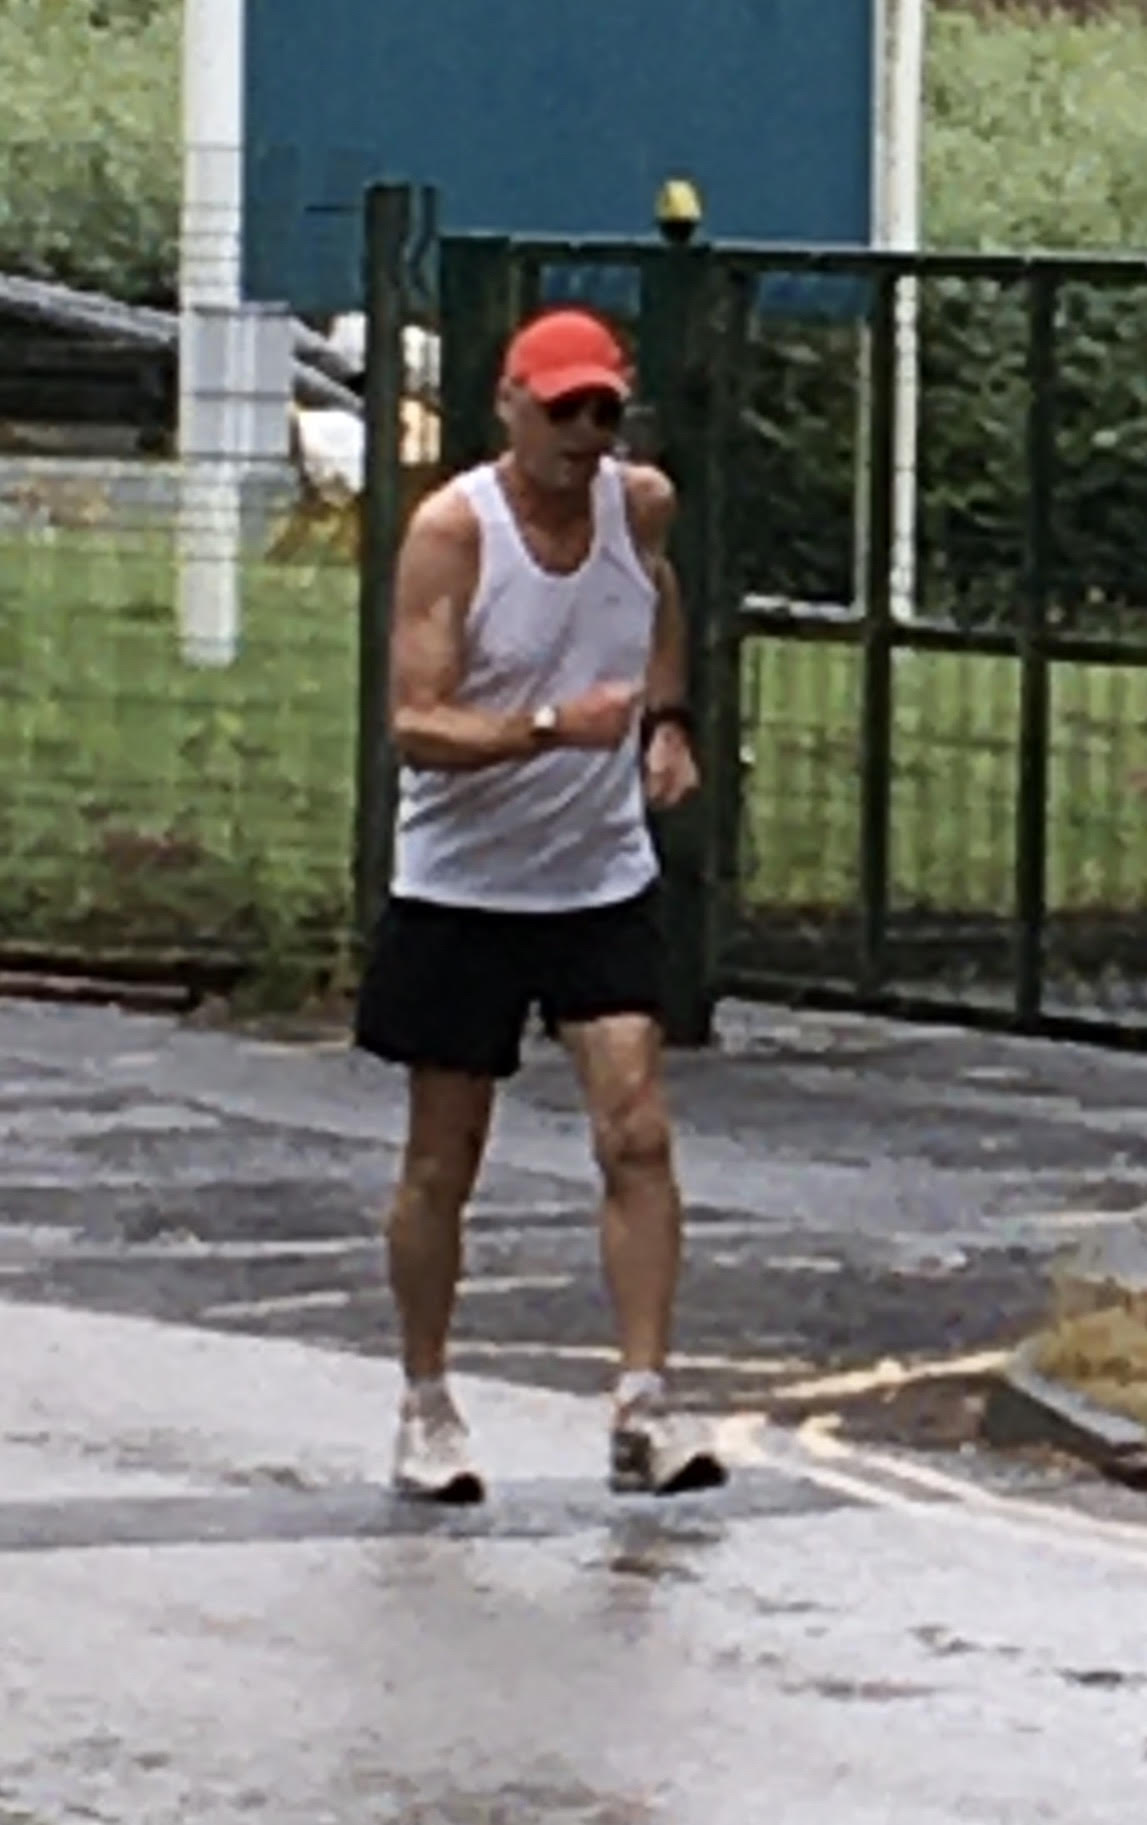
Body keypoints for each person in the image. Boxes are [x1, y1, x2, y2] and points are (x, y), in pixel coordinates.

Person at [355, 305, 727, 1503]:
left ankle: (643, 1404)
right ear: (509, 404)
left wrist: (667, 721)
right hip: (462, 886)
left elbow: (656, 600)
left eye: (603, 410)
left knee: (637, 1130)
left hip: (594, 877)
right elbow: (416, 724)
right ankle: (425, 1402)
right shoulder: (453, 532)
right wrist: (552, 727)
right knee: (442, 1158)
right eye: (561, 408)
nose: (583, 433)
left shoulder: (641, 505)